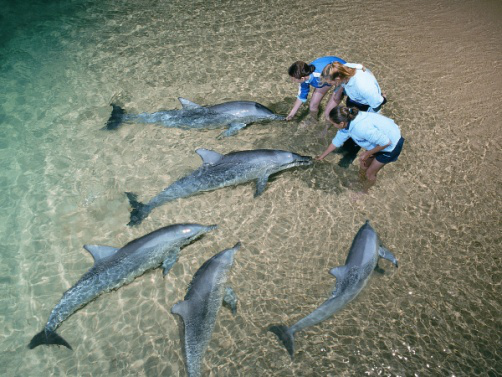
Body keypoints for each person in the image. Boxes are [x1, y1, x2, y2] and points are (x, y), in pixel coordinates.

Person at [316, 106, 404, 191]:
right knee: (363, 164)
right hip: (378, 141)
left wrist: (367, 153)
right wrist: (321, 157)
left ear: (341, 123)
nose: (333, 126)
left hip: (392, 145)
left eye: (333, 124)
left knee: (370, 173)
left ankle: (364, 191)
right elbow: (336, 142)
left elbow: (386, 142)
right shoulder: (347, 122)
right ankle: (360, 181)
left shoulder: (361, 128)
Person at [286, 56, 346, 123]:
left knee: (328, 113)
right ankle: (313, 121)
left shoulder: (319, 74)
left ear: (302, 78)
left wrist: (340, 90)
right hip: (326, 80)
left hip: (341, 79)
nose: (292, 81)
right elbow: (301, 96)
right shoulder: (304, 76)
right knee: (312, 107)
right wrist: (291, 114)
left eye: (293, 79)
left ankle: (326, 128)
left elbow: (344, 77)